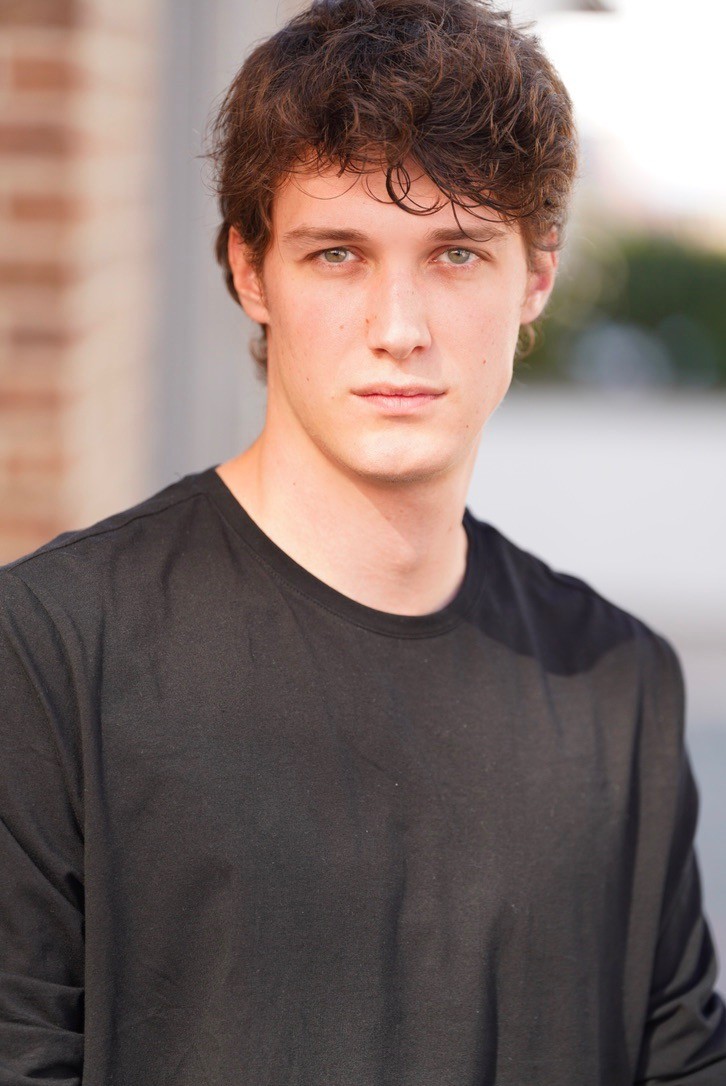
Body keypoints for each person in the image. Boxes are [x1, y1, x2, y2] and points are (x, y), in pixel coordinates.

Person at [1, 0, 724, 1081]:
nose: (399, 327)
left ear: (536, 277)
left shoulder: (621, 687)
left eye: (456, 254)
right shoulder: (52, 652)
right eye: (337, 254)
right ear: (252, 272)